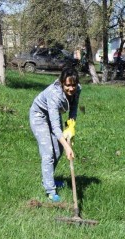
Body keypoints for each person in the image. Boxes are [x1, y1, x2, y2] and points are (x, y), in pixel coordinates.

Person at [29, 67, 81, 202]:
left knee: (58, 151)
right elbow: (56, 128)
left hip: (54, 115)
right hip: (39, 116)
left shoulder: (78, 89)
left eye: (73, 85)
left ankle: (48, 179)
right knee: (48, 152)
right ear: (62, 83)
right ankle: (50, 190)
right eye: (68, 85)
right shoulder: (54, 94)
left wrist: (71, 127)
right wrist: (68, 147)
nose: (71, 88)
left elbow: (74, 109)